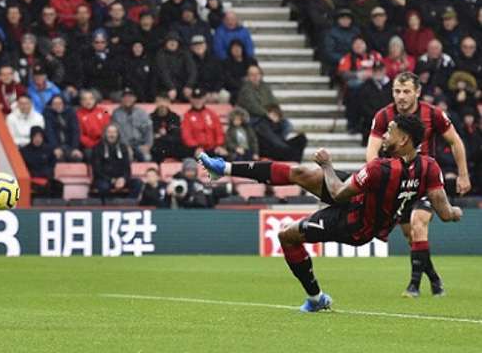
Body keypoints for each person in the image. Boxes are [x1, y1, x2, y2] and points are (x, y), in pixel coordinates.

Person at [198, 114, 462, 311]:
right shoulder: (429, 166)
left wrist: (327, 164)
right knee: (300, 173)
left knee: (287, 236)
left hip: (356, 224)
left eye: (390, 132)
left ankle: (315, 299)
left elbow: (336, 193)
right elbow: (445, 211)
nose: (384, 135)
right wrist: (456, 212)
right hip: (361, 197)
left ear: (403, 139)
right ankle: (224, 168)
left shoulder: (380, 168)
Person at [366, 72, 470, 296]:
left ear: (417, 92)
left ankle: (413, 286)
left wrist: (463, 174)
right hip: (398, 185)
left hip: (425, 180)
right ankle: (434, 279)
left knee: (418, 223)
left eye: (406, 91)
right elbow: (372, 150)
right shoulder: (384, 116)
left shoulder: (433, 114)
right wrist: (376, 177)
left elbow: (455, 141)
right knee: (411, 235)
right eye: (397, 91)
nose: (401, 96)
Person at [91, 124, 142, 202]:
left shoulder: (123, 147)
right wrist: (112, 180)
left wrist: (123, 179)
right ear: (105, 134)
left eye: (114, 132)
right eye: (109, 132)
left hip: (121, 179)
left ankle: (128, 204)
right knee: (103, 186)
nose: (112, 135)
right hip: (104, 179)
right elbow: (97, 170)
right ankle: (108, 206)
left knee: (137, 183)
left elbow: (127, 168)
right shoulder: (97, 148)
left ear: (118, 134)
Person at [181, 88, 226, 158]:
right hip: (196, 149)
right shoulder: (187, 116)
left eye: (200, 98)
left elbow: (219, 131)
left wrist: (219, 145)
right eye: (195, 99)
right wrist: (196, 147)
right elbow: (186, 135)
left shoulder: (211, 114)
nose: (198, 101)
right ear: (191, 100)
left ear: (204, 99)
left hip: (213, 148)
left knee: (224, 156)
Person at [110, 87, 153, 161]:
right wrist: (125, 147)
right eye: (125, 97)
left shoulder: (142, 113)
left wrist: (148, 145)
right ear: (121, 99)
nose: (127, 99)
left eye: (130, 97)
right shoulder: (116, 113)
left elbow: (148, 131)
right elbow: (117, 133)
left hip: (139, 144)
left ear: (135, 98)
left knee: (147, 157)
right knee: (126, 157)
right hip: (123, 145)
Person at [21, 126, 62, 199]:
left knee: (58, 185)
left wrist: (47, 174)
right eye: (35, 137)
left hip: (46, 177)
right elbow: (25, 168)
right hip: (32, 179)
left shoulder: (48, 149)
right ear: (31, 137)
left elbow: (52, 165)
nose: (38, 139)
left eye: (40, 137)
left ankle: (56, 207)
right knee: (43, 187)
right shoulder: (24, 151)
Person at [43, 95, 83, 162]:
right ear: (51, 105)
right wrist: (55, 148)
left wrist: (75, 148)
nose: (57, 105)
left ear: (63, 104)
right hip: (55, 146)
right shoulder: (47, 114)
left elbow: (75, 131)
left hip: (70, 145)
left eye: (59, 103)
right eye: (55, 104)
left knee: (77, 157)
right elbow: (49, 132)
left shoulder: (70, 113)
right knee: (58, 158)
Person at [76, 89, 111, 156]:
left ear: (95, 100)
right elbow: (80, 134)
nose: (88, 101)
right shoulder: (77, 114)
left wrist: (104, 141)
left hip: (104, 142)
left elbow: (109, 126)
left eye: (91, 98)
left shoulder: (104, 111)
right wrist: (92, 144)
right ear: (81, 102)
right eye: (85, 99)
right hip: (89, 146)